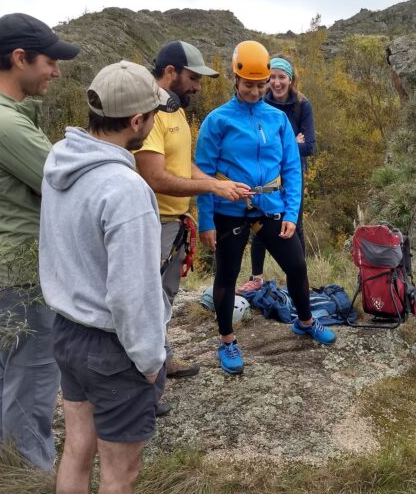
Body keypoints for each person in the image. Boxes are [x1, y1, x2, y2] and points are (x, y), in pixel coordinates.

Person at [40, 61, 170, 494]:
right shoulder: (126, 189)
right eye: (153, 115)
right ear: (137, 122)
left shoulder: (60, 161)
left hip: (67, 330)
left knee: (77, 448)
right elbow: (133, 294)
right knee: (120, 475)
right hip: (111, 348)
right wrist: (150, 360)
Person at [0, 13, 78, 469]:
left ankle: (7, 468)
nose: (56, 71)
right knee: (32, 380)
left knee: (11, 375)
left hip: (6, 266)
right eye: (50, 61)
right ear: (20, 58)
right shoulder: (4, 125)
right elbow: (65, 186)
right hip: (26, 270)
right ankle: (33, 475)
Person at [196, 40, 335, 376]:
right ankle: (227, 340)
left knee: (297, 264)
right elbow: (201, 172)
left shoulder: (277, 119)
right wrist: (205, 221)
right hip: (229, 208)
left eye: (261, 85)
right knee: (227, 276)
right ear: (235, 79)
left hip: (271, 205)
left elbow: (291, 168)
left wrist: (290, 213)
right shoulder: (218, 120)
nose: (256, 92)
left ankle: (304, 321)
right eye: (249, 85)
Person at [135, 41, 249, 400]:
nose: (197, 86)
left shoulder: (175, 110)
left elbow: (182, 167)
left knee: (164, 297)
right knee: (144, 301)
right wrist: (212, 188)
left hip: (173, 222)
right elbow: (155, 176)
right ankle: (141, 385)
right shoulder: (149, 113)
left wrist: (215, 183)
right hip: (151, 222)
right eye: (192, 77)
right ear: (170, 72)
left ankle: (160, 359)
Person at [243, 54, 316, 289]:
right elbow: (254, 142)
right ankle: (256, 277)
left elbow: (310, 147)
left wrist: (283, 145)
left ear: (290, 79)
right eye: (272, 77)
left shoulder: (302, 106)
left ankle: (298, 276)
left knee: (295, 224)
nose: (276, 82)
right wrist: (291, 142)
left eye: (281, 77)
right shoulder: (260, 103)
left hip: (292, 175)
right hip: (264, 175)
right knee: (259, 225)